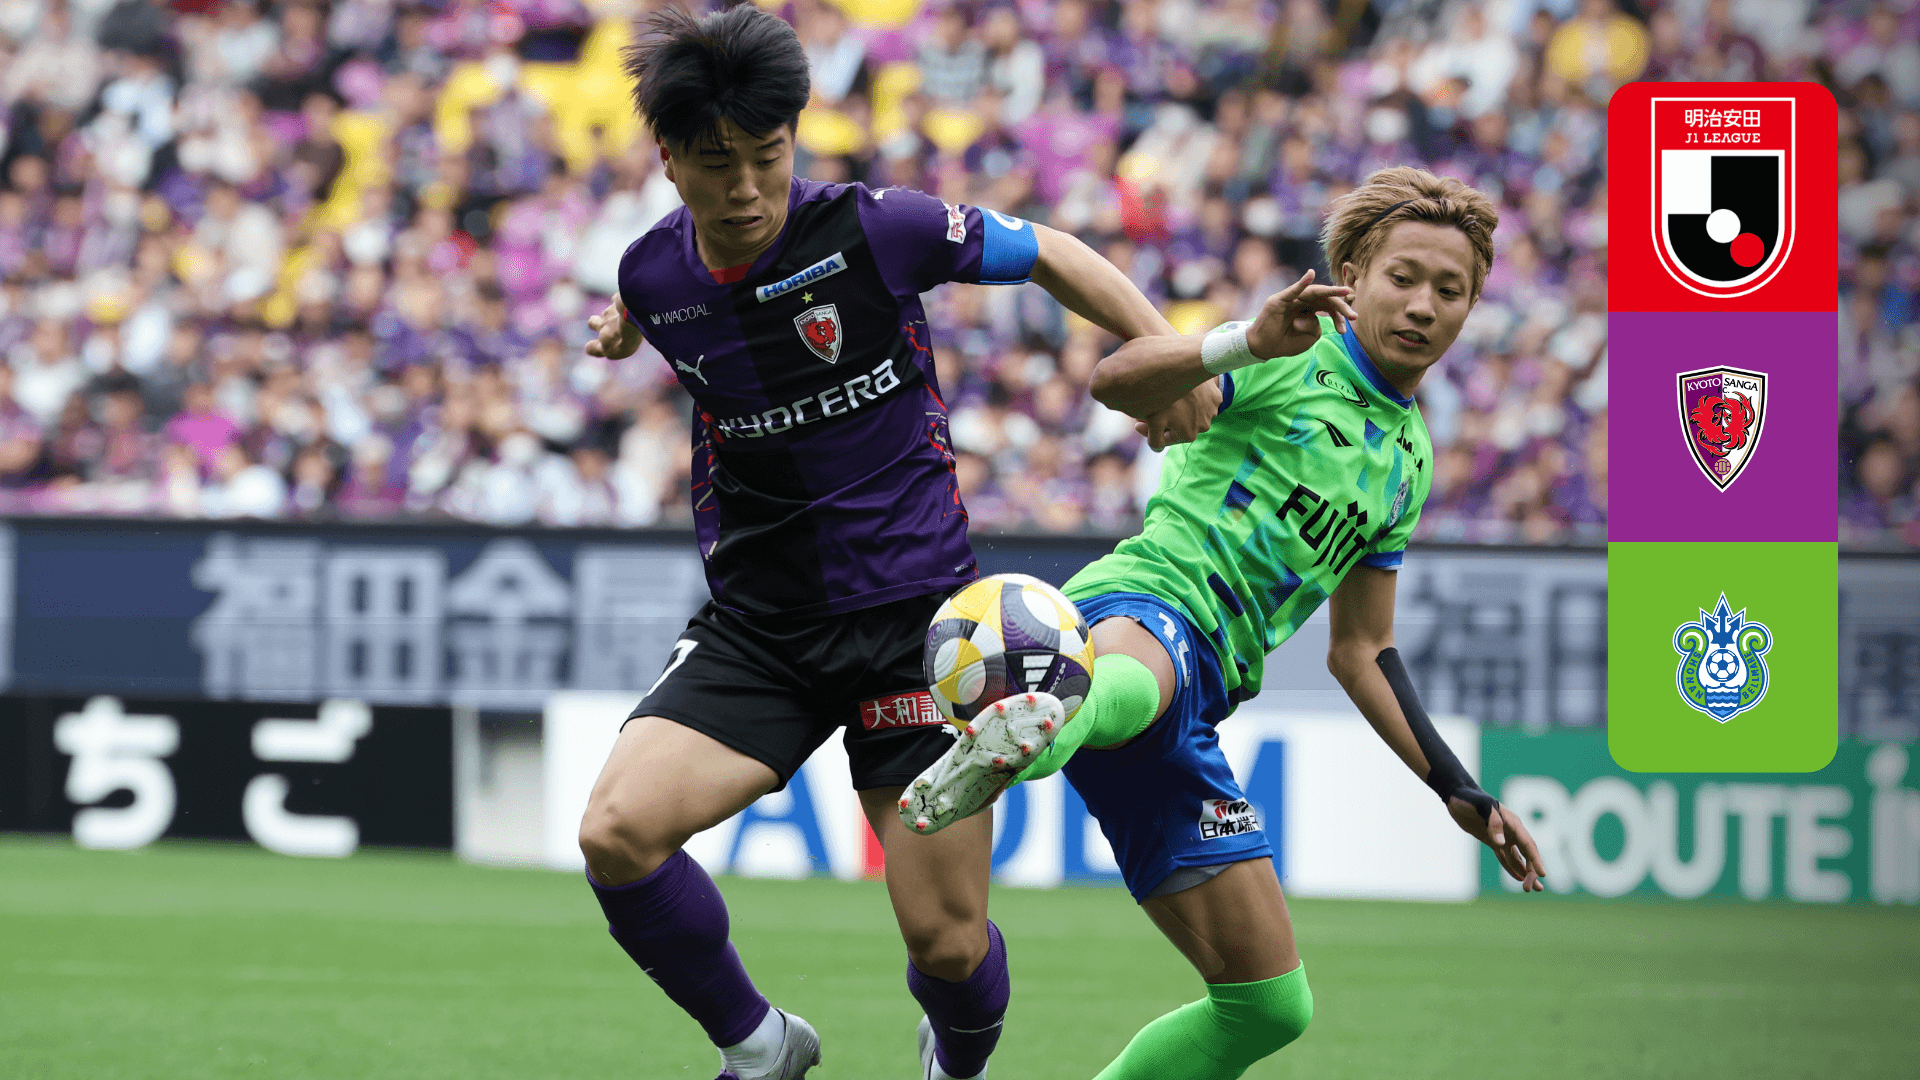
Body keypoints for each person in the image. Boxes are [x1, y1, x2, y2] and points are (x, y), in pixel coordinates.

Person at [572, 8, 1211, 1080]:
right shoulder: (652, 275)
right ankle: (760, 1048)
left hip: (917, 631)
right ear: (670, 161)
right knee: (615, 833)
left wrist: (1169, 354)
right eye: (717, 165)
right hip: (761, 629)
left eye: (768, 156)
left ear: (795, 138)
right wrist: (622, 327)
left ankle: (956, 1063)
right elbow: (655, 297)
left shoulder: (878, 229)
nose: (747, 188)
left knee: (948, 945)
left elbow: (1050, 252)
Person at [906, 167, 1550, 1080]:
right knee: (1138, 679)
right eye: (1402, 277)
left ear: (1473, 307)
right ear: (1354, 276)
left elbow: (1361, 649)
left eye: (1450, 290)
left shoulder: (1410, 460)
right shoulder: (1292, 354)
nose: (1422, 305)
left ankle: (1042, 725)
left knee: (1269, 1006)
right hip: (1142, 607)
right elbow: (1116, 380)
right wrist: (1242, 340)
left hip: (1197, 702)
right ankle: (1041, 724)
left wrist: (1458, 787)